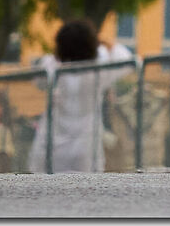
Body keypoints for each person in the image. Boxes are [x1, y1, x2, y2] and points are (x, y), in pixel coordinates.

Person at [28, 18, 135, 174]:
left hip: (51, 145)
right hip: (86, 147)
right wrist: (104, 42)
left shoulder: (51, 66)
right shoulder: (100, 68)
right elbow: (126, 59)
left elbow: (37, 81)